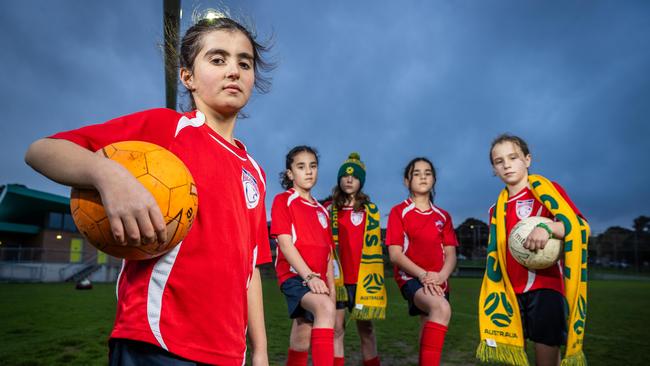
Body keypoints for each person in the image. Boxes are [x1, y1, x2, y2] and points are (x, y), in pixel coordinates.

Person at [25, 11, 273, 366]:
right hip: (157, 342)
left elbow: (250, 271)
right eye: (217, 59)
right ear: (187, 76)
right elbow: (41, 151)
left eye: (244, 63)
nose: (234, 70)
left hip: (229, 354)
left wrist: (260, 352)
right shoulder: (167, 128)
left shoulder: (256, 173)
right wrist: (107, 174)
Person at [475, 134, 589, 366]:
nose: (506, 164)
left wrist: (547, 227)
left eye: (513, 157)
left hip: (546, 288)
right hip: (507, 293)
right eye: (499, 161)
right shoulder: (495, 210)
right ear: (494, 169)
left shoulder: (549, 192)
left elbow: (581, 226)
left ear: (527, 160)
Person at [385, 157, 458, 366]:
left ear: (434, 179)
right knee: (441, 309)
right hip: (412, 277)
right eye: (416, 173)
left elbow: (450, 254)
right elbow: (395, 255)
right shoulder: (400, 212)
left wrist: (441, 276)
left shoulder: (443, 216)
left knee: (429, 324)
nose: (423, 176)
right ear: (407, 181)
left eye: (427, 172)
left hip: (438, 279)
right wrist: (424, 275)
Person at [271, 146, 336, 366]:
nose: (308, 171)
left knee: (302, 333)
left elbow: (328, 254)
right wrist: (309, 277)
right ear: (290, 174)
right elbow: (286, 245)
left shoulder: (322, 210)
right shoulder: (283, 200)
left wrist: (332, 291)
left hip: (318, 281)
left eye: (313, 166)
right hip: (295, 277)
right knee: (323, 309)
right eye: (301, 166)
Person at [324, 152, 384, 366]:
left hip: (363, 282)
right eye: (345, 176)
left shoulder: (371, 211)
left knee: (366, 329)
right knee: (337, 329)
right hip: (338, 280)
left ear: (361, 182)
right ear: (339, 180)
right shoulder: (330, 210)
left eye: (355, 177)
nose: (349, 180)